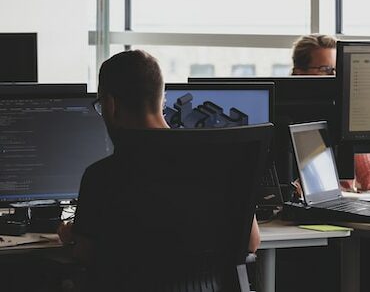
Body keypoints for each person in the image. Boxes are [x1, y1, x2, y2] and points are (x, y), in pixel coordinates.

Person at [58, 50, 260, 288]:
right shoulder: (220, 161)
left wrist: (72, 236)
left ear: (111, 105)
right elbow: (251, 242)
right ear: (161, 99)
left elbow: (86, 254)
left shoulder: (102, 176)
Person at [291, 34, 370, 191]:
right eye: (326, 70)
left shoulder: (347, 118)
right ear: (299, 72)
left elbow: (367, 178)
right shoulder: (289, 121)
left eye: (337, 71)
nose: (334, 78)